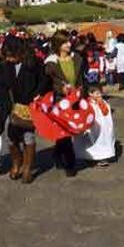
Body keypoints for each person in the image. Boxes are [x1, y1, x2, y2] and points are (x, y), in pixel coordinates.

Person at [0, 36, 47, 184]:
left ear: (19, 52)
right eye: (7, 56)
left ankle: (28, 167)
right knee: (10, 137)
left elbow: (43, 81)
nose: (9, 59)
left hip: (29, 105)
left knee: (28, 136)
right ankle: (17, 162)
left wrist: (38, 95)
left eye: (11, 56)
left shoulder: (33, 62)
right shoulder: (4, 65)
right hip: (10, 105)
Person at [44, 30, 83, 177]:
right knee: (66, 133)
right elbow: (49, 83)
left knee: (69, 132)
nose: (69, 44)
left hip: (76, 99)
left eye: (69, 41)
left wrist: (83, 94)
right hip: (60, 102)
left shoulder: (77, 59)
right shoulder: (51, 63)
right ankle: (70, 164)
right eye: (65, 42)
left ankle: (57, 153)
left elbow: (81, 80)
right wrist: (61, 88)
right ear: (58, 45)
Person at [72, 84, 116, 167]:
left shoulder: (103, 103)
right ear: (90, 94)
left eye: (100, 93)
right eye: (97, 93)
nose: (99, 95)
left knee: (102, 140)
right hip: (91, 127)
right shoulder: (87, 104)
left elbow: (107, 115)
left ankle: (102, 157)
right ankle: (87, 157)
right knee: (89, 141)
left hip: (102, 128)